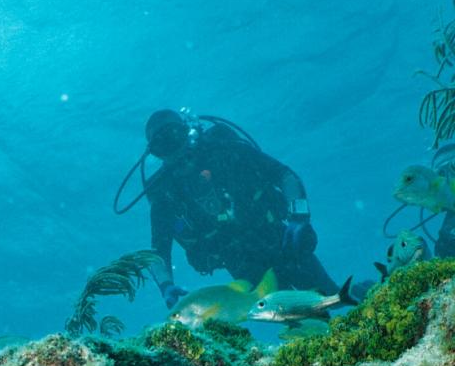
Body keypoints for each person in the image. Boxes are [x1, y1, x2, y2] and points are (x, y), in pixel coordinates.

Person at [116, 109, 339, 309]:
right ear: (155, 153)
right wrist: (166, 286)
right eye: (162, 145)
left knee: (332, 297)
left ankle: (365, 292)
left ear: (186, 131)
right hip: (241, 263)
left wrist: (299, 218)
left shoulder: (225, 149)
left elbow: (284, 175)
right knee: (291, 318)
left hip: (282, 241)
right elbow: (158, 251)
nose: (173, 148)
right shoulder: (164, 194)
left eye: (174, 135)